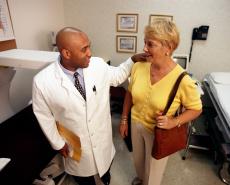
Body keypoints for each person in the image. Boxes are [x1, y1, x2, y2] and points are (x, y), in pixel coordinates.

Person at [32, 27, 144, 185]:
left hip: (103, 140)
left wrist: (132, 59)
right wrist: (57, 143)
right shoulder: (42, 81)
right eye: (84, 49)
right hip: (76, 145)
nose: (90, 53)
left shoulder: (97, 65)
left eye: (89, 46)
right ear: (66, 53)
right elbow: (44, 116)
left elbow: (118, 76)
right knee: (84, 179)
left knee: (105, 174)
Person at [119, 19, 202, 185]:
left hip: (157, 132)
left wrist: (174, 121)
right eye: (145, 43)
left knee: (154, 172)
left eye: (150, 44)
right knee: (138, 161)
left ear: (168, 48)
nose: (144, 49)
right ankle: (141, 179)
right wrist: (124, 119)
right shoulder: (139, 66)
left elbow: (196, 108)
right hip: (136, 124)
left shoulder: (182, 79)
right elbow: (130, 93)